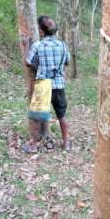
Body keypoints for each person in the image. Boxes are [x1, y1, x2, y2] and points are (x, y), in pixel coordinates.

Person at [22, 16, 71, 152]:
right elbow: (67, 62)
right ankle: (66, 143)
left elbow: (28, 62)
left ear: (41, 31)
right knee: (62, 115)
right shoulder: (62, 45)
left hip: (43, 84)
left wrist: (26, 45)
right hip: (59, 85)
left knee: (37, 117)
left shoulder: (38, 45)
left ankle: (33, 145)